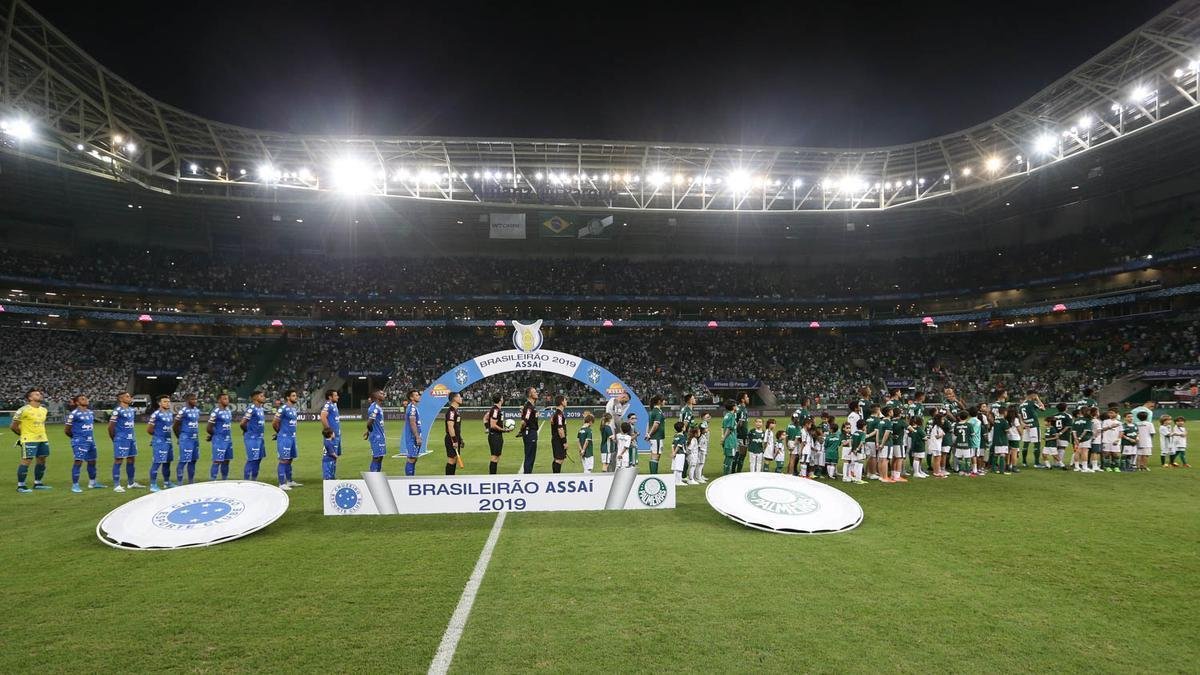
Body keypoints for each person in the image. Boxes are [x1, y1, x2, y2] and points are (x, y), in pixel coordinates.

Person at [12, 389, 53, 493]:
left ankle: (38, 483)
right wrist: (24, 436)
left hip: (43, 439)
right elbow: (14, 426)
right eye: (36, 394)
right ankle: (21, 486)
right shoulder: (23, 410)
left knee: (42, 460)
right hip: (29, 439)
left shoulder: (44, 410)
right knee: (27, 461)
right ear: (30, 398)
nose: (39, 395)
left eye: (40, 394)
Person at [65, 394, 104, 492]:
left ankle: (92, 483)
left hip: (91, 440)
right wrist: (77, 438)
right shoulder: (73, 414)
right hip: (80, 441)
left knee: (92, 461)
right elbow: (67, 430)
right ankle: (75, 485)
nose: (86, 400)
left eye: (86, 398)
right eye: (82, 399)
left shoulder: (90, 412)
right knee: (78, 461)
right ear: (77, 402)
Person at [109, 391, 143, 493]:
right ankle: (116, 485)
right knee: (118, 460)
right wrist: (114, 439)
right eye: (127, 397)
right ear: (121, 399)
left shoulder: (131, 410)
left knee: (131, 460)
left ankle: (131, 483)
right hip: (121, 439)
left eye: (129, 396)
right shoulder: (117, 411)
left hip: (131, 438)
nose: (130, 398)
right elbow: (110, 427)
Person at [273, 389, 301, 490]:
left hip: (292, 437)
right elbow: (275, 422)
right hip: (284, 438)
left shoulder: (293, 409)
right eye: (293, 396)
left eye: (296, 395)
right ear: (288, 398)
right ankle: (281, 483)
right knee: (283, 460)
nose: (295, 397)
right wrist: (279, 433)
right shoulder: (283, 408)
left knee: (290, 459)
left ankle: (289, 481)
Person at [147, 395, 175, 491]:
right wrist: (157, 437)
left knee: (167, 462)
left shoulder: (170, 414)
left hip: (168, 441)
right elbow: (149, 429)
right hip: (160, 441)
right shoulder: (156, 414)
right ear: (160, 403)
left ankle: (167, 483)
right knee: (157, 462)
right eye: (165, 401)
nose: (167, 403)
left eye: (168, 401)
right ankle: (153, 485)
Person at [174, 393, 201, 483]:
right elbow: (175, 426)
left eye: (195, 399)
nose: (195, 401)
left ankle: (191, 482)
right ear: (187, 401)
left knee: (193, 461)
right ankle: (180, 483)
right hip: (186, 439)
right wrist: (180, 437)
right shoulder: (183, 411)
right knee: (183, 460)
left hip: (195, 439)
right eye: (193, 399)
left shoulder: (197, 410)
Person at [241, 390, 267, 480]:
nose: (264, 397)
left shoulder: (260, 408)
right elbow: (242, 423)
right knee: (252, 459)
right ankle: (246, 481)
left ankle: (254, 480)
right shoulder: (251, 408)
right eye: (261, 396)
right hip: (252, 438)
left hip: (260, 438)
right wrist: (247, 431)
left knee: (258, 459)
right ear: (255, 398)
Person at [208, 393, 234, 480]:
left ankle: (224, 480)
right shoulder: (215, 412)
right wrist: (214, 435)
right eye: (224, 399)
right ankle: (213, 481)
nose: (227, 400)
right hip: (219, 440)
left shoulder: (228, 411)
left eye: (227, 399)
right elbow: (209, 427)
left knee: (226, 461)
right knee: (217, 460)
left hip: (228, 439)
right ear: (219, 400)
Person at [1019, 391, 1045, 467]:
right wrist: (1038, 399)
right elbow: (1043, 409)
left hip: (1026, 426)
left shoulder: (1021, 405)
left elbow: (1019, 416)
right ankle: (1036, 463)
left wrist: (1022, 423)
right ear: (1032, 395)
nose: (1035, 397)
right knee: (1037, 444)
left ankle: (1024, 462)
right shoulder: (1031, 403)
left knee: (1025, 444)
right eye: (1035, 395)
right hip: (1034, 425)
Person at [402, 389, 424, 476]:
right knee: (411, 458)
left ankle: (411, 478)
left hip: (414, 437)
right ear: (411, 397)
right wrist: (417, 436)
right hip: (412, 437)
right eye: (416, 395)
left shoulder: (413, 407)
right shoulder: (412, 408)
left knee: (414, 458)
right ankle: (409, 480)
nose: (418, 396)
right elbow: (412, 422)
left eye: (418, 394)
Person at [517, 387, 539, 474]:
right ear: (530, 394)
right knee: (530, 455)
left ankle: (528, 474)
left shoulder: (530, 406)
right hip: (530, 432)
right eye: (535, 392)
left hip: (530, 432)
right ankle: (527, 475)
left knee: (530, 455)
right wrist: (520, 430)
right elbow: (524, 421)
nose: (537, 393)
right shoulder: (529, 407)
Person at [364, 390, 387, 472]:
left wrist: (368, 432)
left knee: (380, 456)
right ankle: (373, 477)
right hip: (377, 436)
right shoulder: (374, 408)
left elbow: (372, 423)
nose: (383, 394)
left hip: (380, 435)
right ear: (376, 397)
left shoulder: (377, 407)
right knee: (376, 457)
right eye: (381, 393)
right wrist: (371, 432)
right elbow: (369, 423)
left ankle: (377, 475)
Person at [484, 394, 506, 474]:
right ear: (501, 399)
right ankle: (492, 476)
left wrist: (487, 427)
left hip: (496, 435)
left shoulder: (494, 409)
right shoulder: (496, 410)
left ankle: (493, 475)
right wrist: (503, 430)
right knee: (494, 457)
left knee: (496, 456)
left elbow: (485, 418)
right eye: (502, 397)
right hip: (495, 436)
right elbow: (493, 425)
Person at [645, 395, 666, 474]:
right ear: (659, 401)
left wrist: (647, 433)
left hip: (655, 437)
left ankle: (654, 474)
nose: (665, 402)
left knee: (656, 455)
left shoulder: (652, 411)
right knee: (655, 456)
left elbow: (648, 423)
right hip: (657, 437)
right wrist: (649, 434)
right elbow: (655, 425)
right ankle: (653, 475)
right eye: (663, 400)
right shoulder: (658, 412)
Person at [445, 391, 464, 475]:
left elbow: (456, 428)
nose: (461, 398)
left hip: (456, 438)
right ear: (455, 399)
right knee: (451, 459)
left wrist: (460, 439)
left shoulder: (456, 411)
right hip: (451, 439)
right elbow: (450, 426)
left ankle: (452, 477)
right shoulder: (451, 412)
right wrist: (454, 440)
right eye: (459, 397)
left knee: (455, 459)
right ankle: (448, 479)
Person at [1069, 407, 1093, 473]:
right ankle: (1084, 468)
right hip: (1085, 438)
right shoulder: (1087, 420)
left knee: (1077, 452)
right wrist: (1080, 438)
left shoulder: (1076, 420)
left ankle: (1076, 467)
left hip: (1076, 438)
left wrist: (1076, 438)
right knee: (1085, 452)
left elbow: (1073, 431)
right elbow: (1085, 431)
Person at [549, 394, 568, 473]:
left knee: (558, 459)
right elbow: (560, 429)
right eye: (565, 400)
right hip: (558, 440)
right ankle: (556, 477)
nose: (566, 402)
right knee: (559, 459)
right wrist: (564, 442)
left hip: (556, 439)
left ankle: (555, 476)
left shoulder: (556, 414)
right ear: (561, 402)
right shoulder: (559, 414)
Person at [320, 389, 341, 462]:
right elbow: (323, 416)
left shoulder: (334, 405)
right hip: (331, 436)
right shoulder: (327, 405)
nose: (337, 397)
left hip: (337, 435)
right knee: (331, 456)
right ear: (330, 397)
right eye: (335, 396)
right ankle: (328, 473)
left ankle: (332, 473)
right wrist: (329, 432)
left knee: (335, 457)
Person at [733, 392, 750, 473]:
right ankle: (738, 472)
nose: (748, 398)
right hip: (742, 436)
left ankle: (732, 472)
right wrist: (743, 435)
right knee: (742, 455)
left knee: (736, 454)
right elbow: (740, 423)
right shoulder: (743, 409)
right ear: (742, 400)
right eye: (746, 397)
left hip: (736, 435)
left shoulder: (737, 408)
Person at [720, 400, 737, 475]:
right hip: (730, 440)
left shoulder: (726, 415)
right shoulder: (731, 415)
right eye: (736, 405)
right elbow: (729, 428)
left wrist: (723, 437)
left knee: (727, 457)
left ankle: (725, 474)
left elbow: (722, 427)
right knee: (730, 458)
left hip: (726, 439)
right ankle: (726, 475)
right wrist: (723, 439)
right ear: (733, 407)